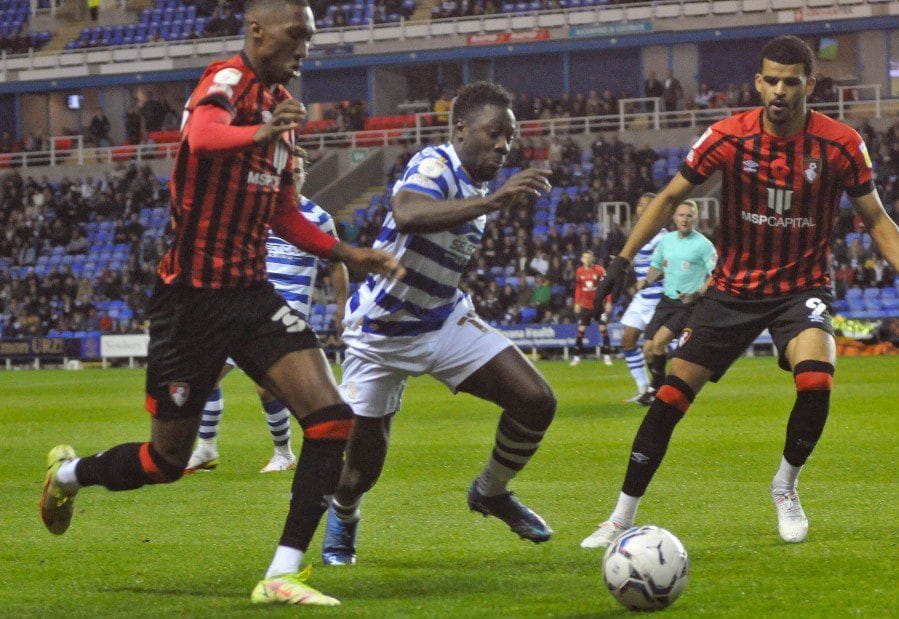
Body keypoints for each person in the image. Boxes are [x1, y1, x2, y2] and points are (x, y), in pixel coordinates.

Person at [39, 0, 404, 607]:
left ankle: (281, 574)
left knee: (332, 417)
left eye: (310, 39)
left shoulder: (283, 122)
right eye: (296, 35)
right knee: (166, 460)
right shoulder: (227, 80)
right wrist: (259, 129)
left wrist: (345, 252)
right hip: (189, 302)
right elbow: (202, 137)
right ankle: (70, 476)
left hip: (251, 296)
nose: (304, 49)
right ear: (258, 31)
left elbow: (284, 213)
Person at [581, 36, 899, 550]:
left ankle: (785, 487)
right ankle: (619, 517)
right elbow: (669, 197)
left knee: (817, 378)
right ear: (758, 82)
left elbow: (878, 221)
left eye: (790, 82)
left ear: (808, 85)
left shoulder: (840, 144)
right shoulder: (728, 136)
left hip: (802, 288)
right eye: (770, 80)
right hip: (732, 290)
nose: (779, 90)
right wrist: (620, 261)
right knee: (669, 398)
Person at [320, 82, 558, 567]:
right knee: (361, 470)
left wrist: (489, 200)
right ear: (460, 129)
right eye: (494, 133)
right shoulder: (435, 165)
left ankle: (490, 492)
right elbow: (407, 213)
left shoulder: (479, 186)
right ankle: (344, 514)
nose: (503, 145)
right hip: (380, 334)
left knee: (536, 401)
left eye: (509, 137)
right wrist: (492, 203)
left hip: (442, 320)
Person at [186, 148, 349, 474]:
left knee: (267, 385)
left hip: (287, 312)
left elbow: (337, 263)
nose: (294, 177)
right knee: (204, 371)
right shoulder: (256, 213)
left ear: (305, 175)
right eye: (289, 172)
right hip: (248, 305)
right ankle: (205, 449)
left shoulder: (318, 219)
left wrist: (342, 305)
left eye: (299, 172)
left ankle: (284, 452)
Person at [635, 200, 716, 398]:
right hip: (666, 301)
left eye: (689, 215)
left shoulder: (703, 245)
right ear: (674, 218)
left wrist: (697, 293)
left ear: (695, 218)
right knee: (647, 349)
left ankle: (656, 389)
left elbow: (716, 275)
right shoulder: (667, 241)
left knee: (659, 343)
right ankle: (659, 385)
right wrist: (646, 281)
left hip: (686, 304)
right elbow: (657, 266)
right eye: (681, 215)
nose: (685, 219)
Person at [618, 192, 667, 404]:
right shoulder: (638, 234)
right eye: (640, 205)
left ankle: (662, 389)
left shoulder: (662, 237)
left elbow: (668, 266)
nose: (642, 209)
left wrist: (648, 279)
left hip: (658, 297)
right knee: (628, 341)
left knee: (654, 348)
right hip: (642, 298)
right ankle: (644, 388)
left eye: (647, 205)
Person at [570, 250, 611, 367]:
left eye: (589, 257)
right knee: (581, 329)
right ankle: (577, 357)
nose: (586, 259)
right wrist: (577, 303)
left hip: (599, 306)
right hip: (586, 306)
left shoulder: (599, 270)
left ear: (592, 258)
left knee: (603, 328)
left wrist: (608, 301)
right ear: (582, 259)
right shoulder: (579, 271)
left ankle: (607, 356)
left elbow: (606, 287)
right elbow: (578, 288)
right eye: (584, 257)